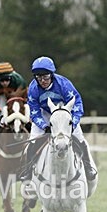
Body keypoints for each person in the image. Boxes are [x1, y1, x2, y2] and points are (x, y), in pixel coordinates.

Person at [19, 56, 98, 184]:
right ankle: (28, 170)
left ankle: (88, 166)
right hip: (45, 114)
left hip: (65, 114)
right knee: (32, 143)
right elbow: (34, 111)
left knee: (80, 138)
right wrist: (44, 126)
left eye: (45, 77)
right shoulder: (33, 89)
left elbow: (77, 102)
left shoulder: (64, 84)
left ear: (52, 75)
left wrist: (73, 122)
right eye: (39, 78)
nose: (42, 81)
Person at [0, 61, 27, 158]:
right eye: (2, 81)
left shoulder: (20, 81)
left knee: (26, 121)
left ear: (11, 77)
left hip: (15, 99)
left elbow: (25, 98)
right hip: (0, 98)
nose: (5, 83)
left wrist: (22, 112)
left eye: (7, 80)